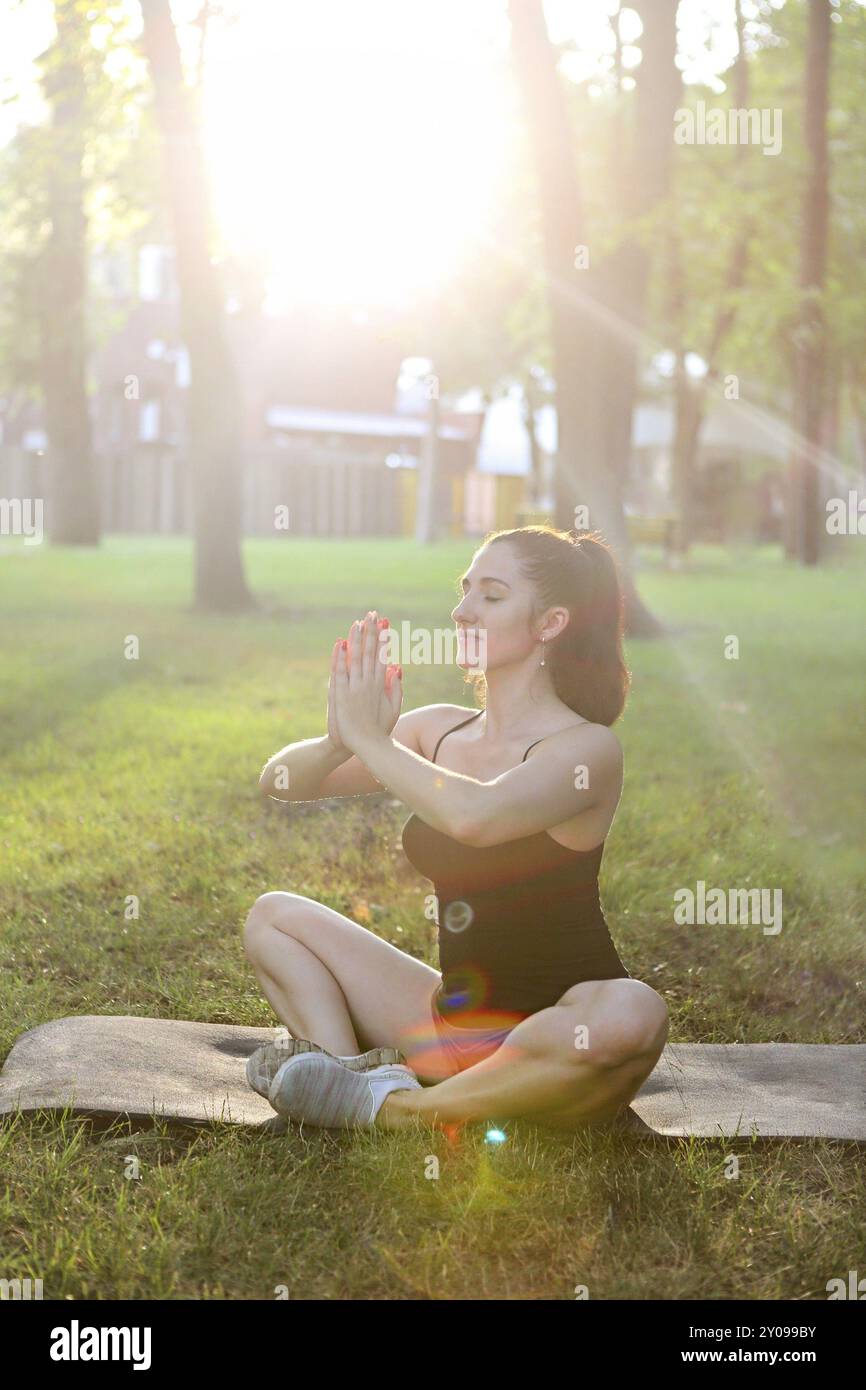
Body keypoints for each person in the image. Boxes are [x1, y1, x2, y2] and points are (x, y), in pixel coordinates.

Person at [244, 525, 669, 1131]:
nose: (461, 610)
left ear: (549, 624)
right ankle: (347, 1076)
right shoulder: (438, 731)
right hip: (450, 1027)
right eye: (465, 589)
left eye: (491, 596)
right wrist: (339, 740)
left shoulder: (587, 750)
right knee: (274, 917)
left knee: (634, 1010)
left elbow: (476, 816)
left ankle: (390, 1111)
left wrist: (372, 739)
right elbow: (281, 781)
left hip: (563, 1035)